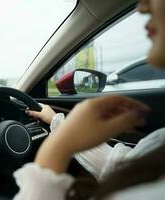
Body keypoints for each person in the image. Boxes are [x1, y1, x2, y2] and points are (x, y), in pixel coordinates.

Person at [13, 0, 165, 199]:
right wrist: (60, 126)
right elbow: (118, 166)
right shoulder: (159, 141)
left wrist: (56, 148)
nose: (142, 6)